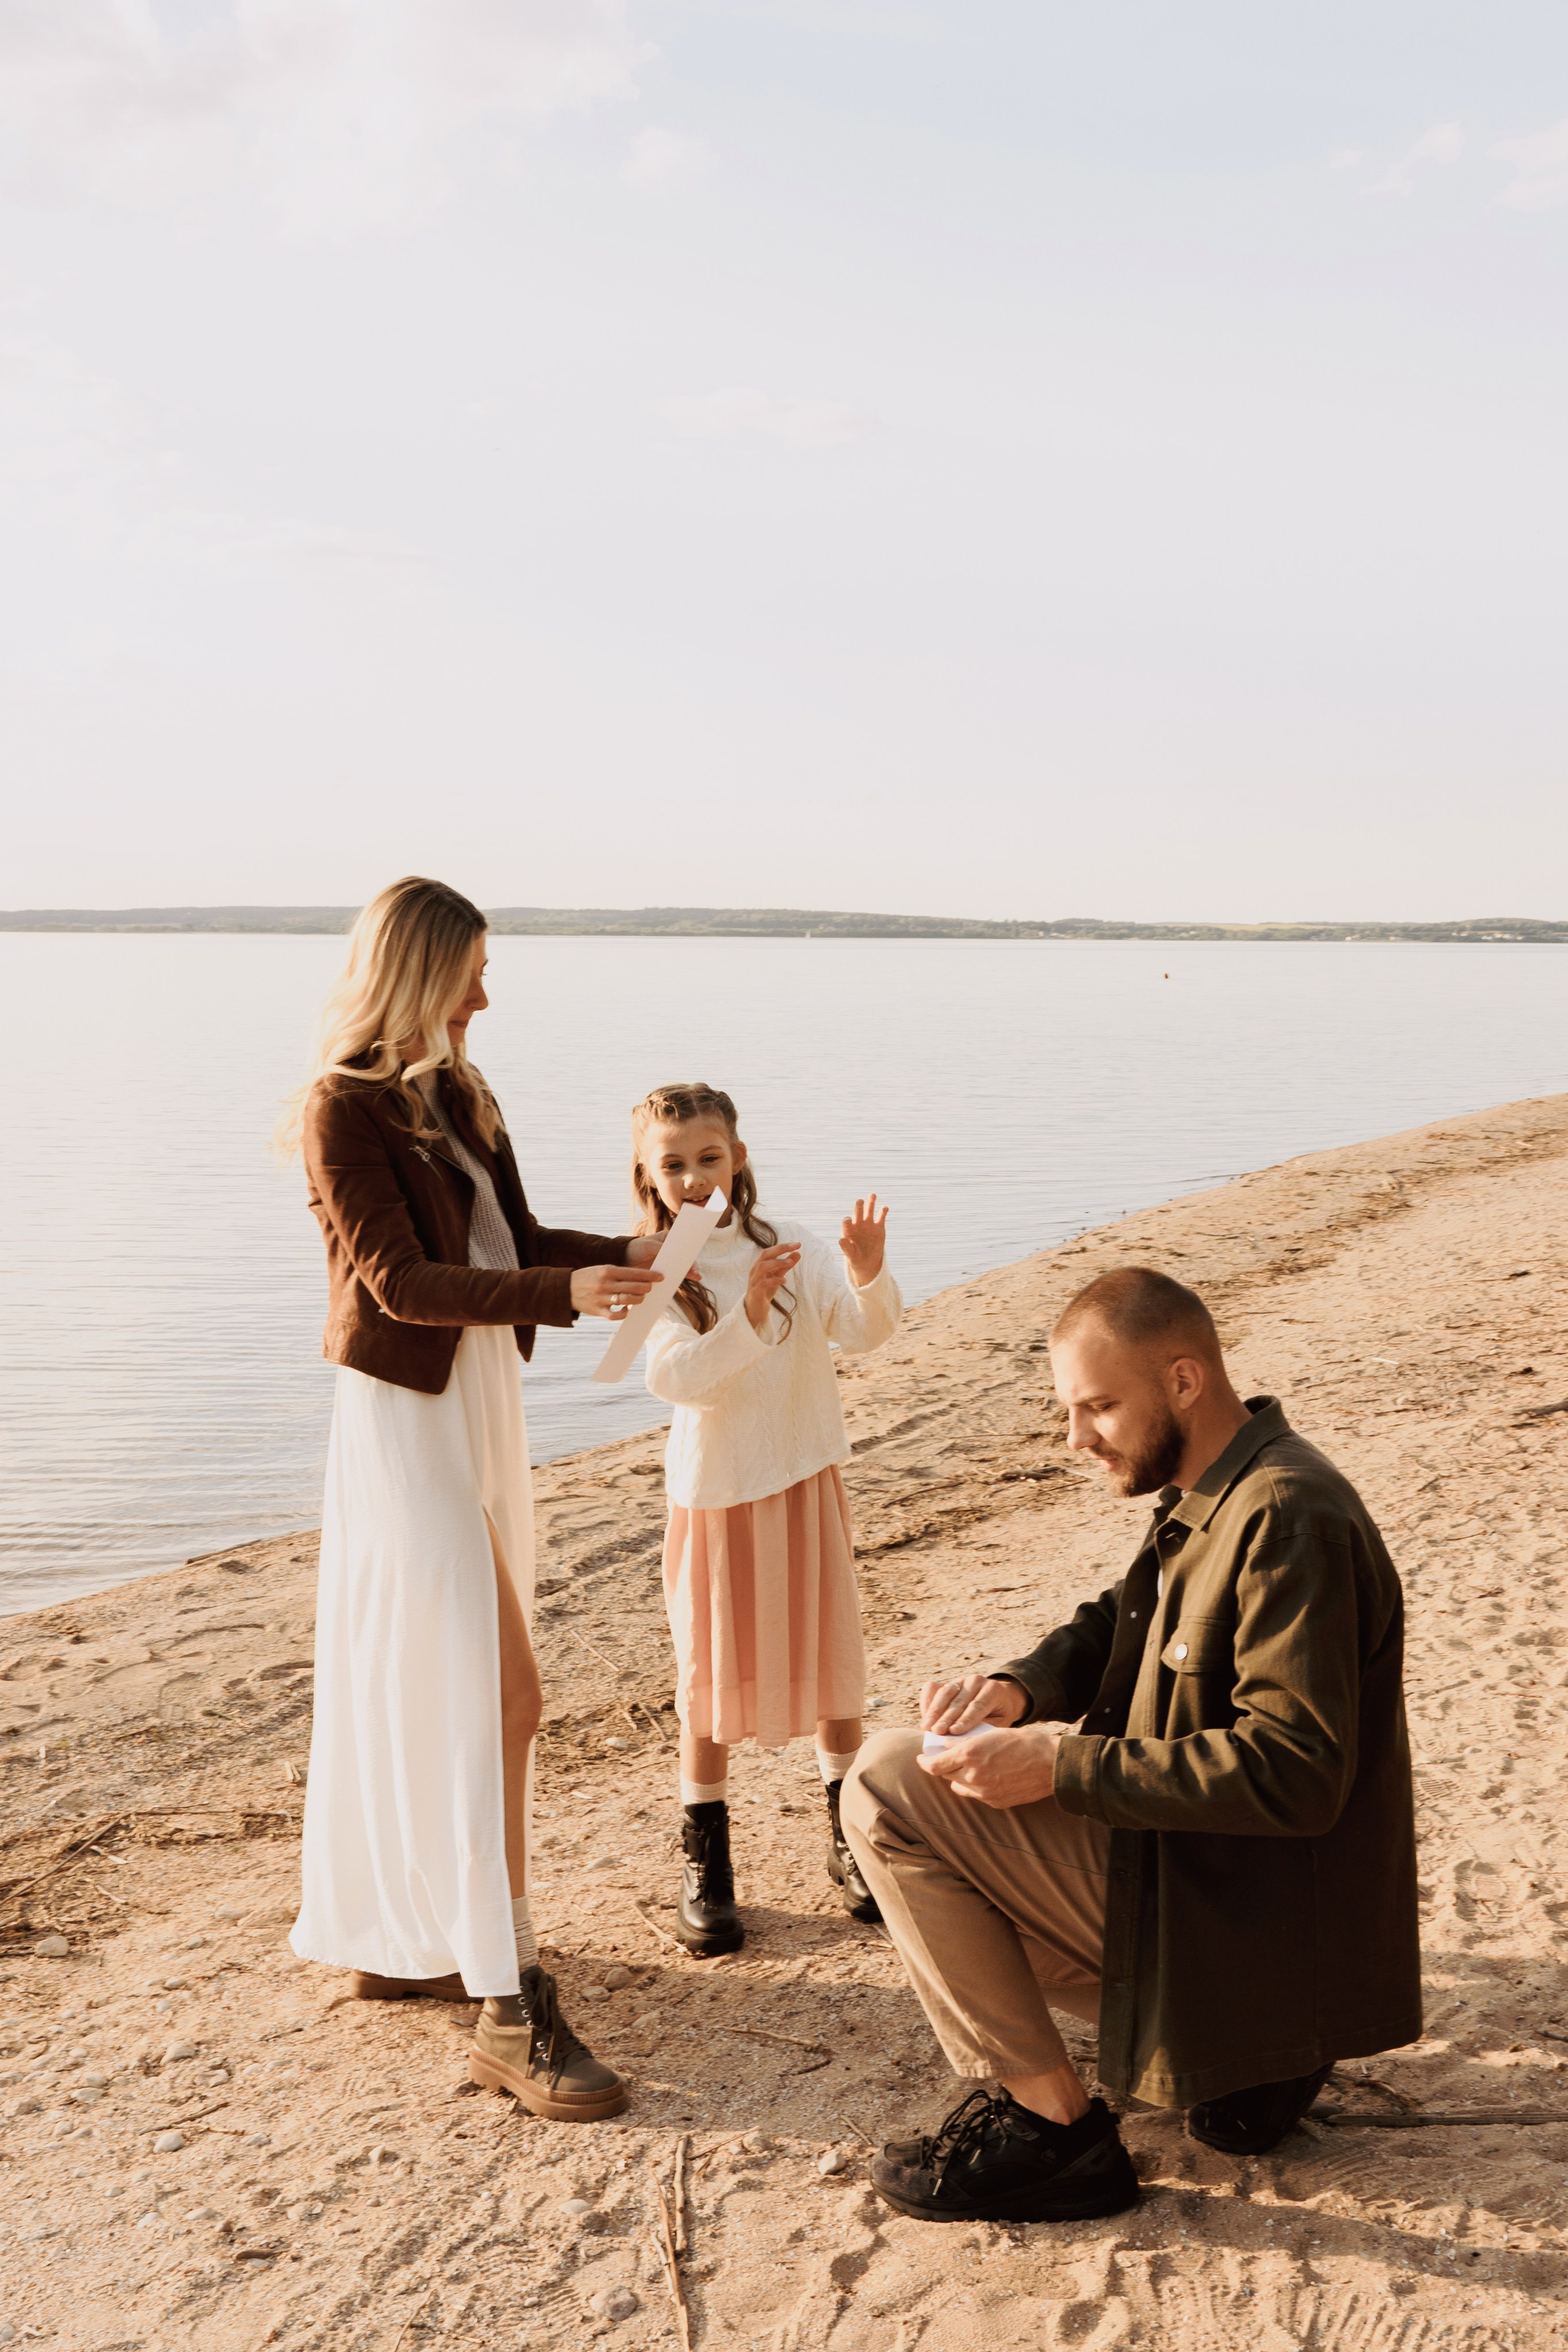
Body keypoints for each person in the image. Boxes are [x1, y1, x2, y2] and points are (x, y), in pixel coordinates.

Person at [842, 1266, 1421, 2226]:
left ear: (1185, 1381)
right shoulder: (1219, 1486)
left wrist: (1058, 1766)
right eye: (1071, 1411)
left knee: (885, 1787)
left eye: (1099, 1407)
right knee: (945, 1815)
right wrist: (1024, 1687)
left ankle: (1054, 2133)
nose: (1077, 1439)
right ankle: (1245, 2062)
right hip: (1238, 1908)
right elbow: (1127, 1617)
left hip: (1249, 1930)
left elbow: (1297, 1771)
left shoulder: (1287, 1515)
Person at [282, 876, 665, 2122]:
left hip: (480, 1401)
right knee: (497, 1693)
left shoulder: (455, 1096)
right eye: (471, 973)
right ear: (418, 972)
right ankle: (505, 2004)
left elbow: (508, 1244)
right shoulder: (341, 1109)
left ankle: (428, 1937)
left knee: (475, 1693)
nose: (486, 995)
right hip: (404, 1418)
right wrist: (569, 1297)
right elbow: (400, 1285)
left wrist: (629, 1259)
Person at [633, 1082, 903, 1954]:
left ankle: (850, 1837)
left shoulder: (793, 1242)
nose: (692, 1176)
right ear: (649, 1171)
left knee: (832, 1659)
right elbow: (673, 1379)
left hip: (801, 1472)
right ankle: (706, 1862)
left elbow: (863, 1332)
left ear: (736, 1159)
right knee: (708, 1679)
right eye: (672, 1163)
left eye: (708, 1157)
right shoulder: (656, 1266)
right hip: (714, 1492)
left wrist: (867, 1271)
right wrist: (745, 1313)